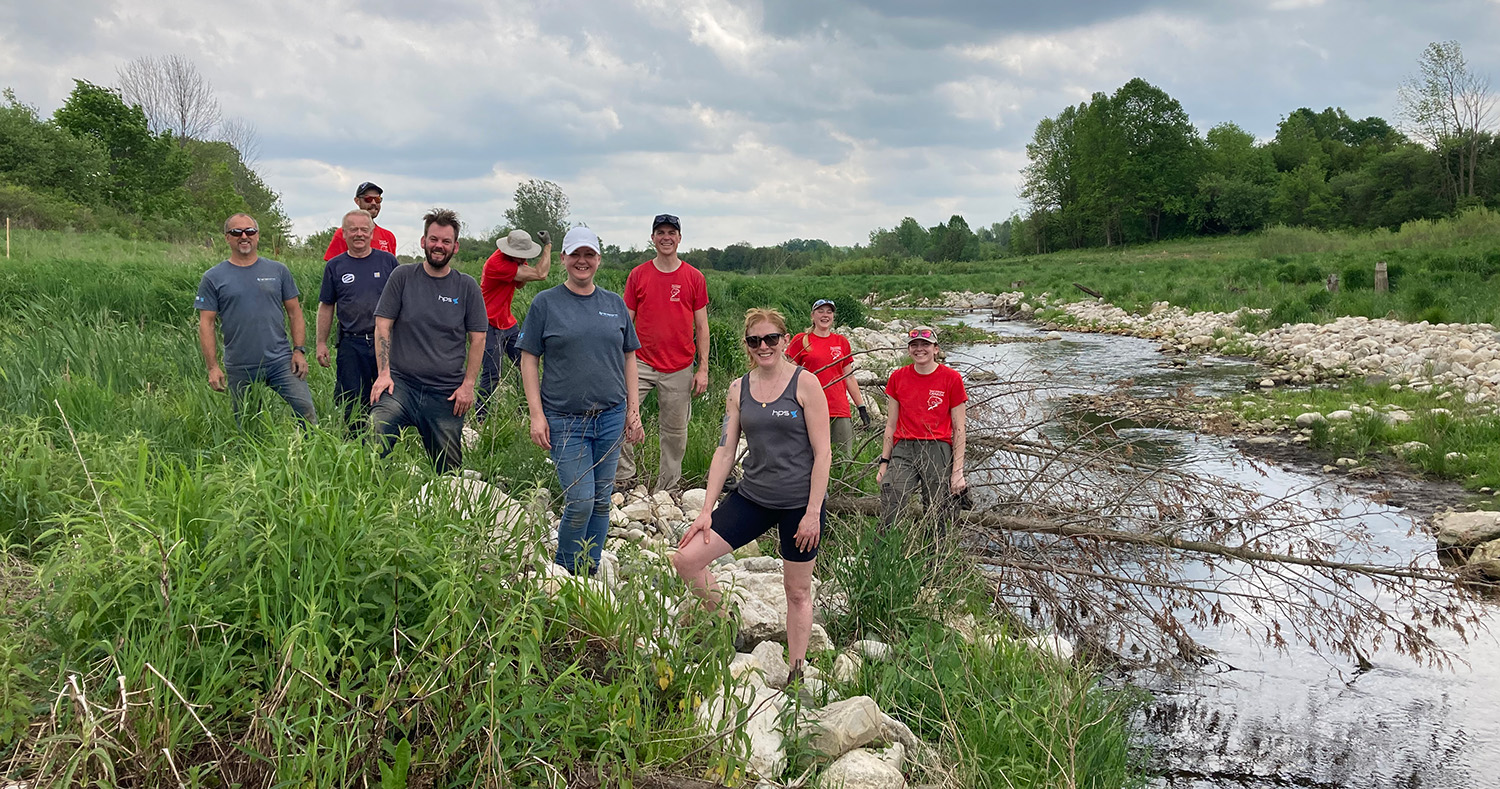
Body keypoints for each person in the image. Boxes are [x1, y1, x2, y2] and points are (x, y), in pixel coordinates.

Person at [672, 308, 831, 679]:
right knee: (686, 560)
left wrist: (812, 512)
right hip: (753, 497)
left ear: (784, 340)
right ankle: (728, 622)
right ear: (747, 346)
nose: (764, 346)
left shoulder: (806, 384)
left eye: (771, 339)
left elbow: (824, 453)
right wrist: (706, 509)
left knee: (797, 591)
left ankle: (796, 670)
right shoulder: (738, 389)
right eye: (755, 341)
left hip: (799, 503)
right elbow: (726, 449)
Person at [519, 227, 645, 575]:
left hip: (610, 416)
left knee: (602, 502)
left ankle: (588, 571)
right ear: (563, 259)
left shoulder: (613, 304)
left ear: (598, 260)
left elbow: (629, 356)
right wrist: (536, 415)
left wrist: (633, 412)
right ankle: (564, 572)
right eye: (575, 254)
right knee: (580, 500)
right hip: (564, 419)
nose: (582, 261)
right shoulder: (545, 303)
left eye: (589, 254)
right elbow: (528, 358)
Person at [369, 209, 487, 473]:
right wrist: (383, 373)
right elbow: (382, 325)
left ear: (455, 247)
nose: (438, 246)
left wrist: (468, 385)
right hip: (400, 386)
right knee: (376, 433)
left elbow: (478, 339)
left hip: (445, 392)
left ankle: (441, 509)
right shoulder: (402, 277)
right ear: (423, 241)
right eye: (433, 239)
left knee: (449, 474)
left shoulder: (466, 287)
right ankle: (375, 500)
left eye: (446, 242)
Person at [616, 213, 709, 491]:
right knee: (620, 415)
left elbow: (702, 326)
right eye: (661, 233)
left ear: (679, 238)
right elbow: (625, 321)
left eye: (671, 232)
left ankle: (667, 488)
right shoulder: (638, 275)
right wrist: (618, 359)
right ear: (653, 238)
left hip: (679, 365)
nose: (666, 237)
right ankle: (623, 477)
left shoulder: (693, 277)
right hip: (641, 362)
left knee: (675, 431)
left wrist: (702, 368)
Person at [195, 213, 317, 425]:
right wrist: (212, 367)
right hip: (240, 364)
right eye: (236, 232)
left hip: (281, 361)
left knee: (306, 411)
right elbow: (206, 323)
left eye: (250, 231)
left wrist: (299, 350)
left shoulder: (278, 271)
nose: (244, 236)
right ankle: (248, 458)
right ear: (227, 237)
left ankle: (306, 454)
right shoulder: (213, 277)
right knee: (246, 424)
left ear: (258, 236)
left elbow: (295, 312)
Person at [876, 326, 968, 533]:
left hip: (937, 448)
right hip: (904, 448)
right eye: (914, 345)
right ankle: (883, 554)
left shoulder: (952, 378)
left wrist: (958, 472)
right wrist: (884, 462)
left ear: (935, 349)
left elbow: (959, 428)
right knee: (892, 495)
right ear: (909, 350)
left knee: (937, 509)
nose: (920, 349)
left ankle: (934, 558)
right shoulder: (898, 377)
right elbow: (891, 424)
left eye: (925, 345)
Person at [315, 208, 400, 428]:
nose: (359, 234)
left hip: (385, 342)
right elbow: (326, 306)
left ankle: (385, 444)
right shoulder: (335, 266)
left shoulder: (388, 262)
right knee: (353, 402)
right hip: (351, 344)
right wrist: (321, 343)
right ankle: (355, 447)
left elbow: (404, 302)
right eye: (353, 230)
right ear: (343, 234)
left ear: (372, 233)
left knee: (389, 396)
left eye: (364, 229)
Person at [477, 228, 551, 419]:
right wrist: (548, 246)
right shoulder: (497, 264)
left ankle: (524, 408)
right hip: (489, 323)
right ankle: (480, 416)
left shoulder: (515, 260)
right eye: (520, 255)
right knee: (492, 374)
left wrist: (523, 269)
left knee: (526, 364)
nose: (522, 258)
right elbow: (541, 274)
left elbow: (520, 283)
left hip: (507, 323)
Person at [788, 298, 871, 455]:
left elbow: (849, 377)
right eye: (820, 311)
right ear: (812, 316)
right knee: (810, 455)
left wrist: (861, 407)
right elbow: (789, 376)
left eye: (829, 312)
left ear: (833, 316)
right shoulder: (801, 340)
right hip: (809, 408)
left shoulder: (841, 342)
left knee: (842, 456)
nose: (825, 315)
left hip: (838, 408)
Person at [324, 182, 397, 260]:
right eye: (368, 199)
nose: (373, 203)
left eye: (377, 199)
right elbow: (333, 266)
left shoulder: (388, 236)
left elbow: (392, 268)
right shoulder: (344, 234)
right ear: (357, 201)